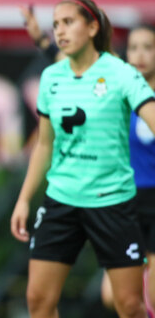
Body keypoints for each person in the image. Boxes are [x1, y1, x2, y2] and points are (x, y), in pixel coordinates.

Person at [10, 0, 155, 318]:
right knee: (38, 300)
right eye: (56, 24)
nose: (60, 30)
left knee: (131, 305)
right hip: (61, 199)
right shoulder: (52, 77)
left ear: (92, 27)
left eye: (68, 22)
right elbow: (44, 145)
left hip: (112, 201)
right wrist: (23, 200)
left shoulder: (120, 73)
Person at [100, 24, 155, 316]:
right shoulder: (120, 95)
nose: (141, 55)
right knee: (114, 297)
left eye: (148, 47)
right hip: (126, 202)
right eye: (134, 47)